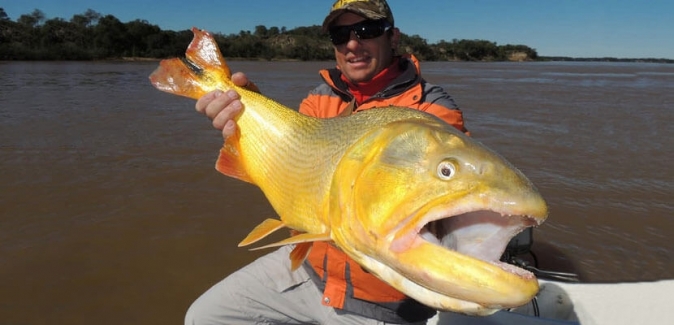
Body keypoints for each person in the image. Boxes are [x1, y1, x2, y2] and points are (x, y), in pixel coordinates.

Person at [186, 1, 469, 324]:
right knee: (206, 315)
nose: (352, 44)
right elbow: (294, 164)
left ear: (393, 38)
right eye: (340, 34)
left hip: (382, 297)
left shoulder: (433, 111)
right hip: (311, 266)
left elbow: (429, 216)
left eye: (367, 30)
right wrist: (248, 109)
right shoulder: (319, 98)